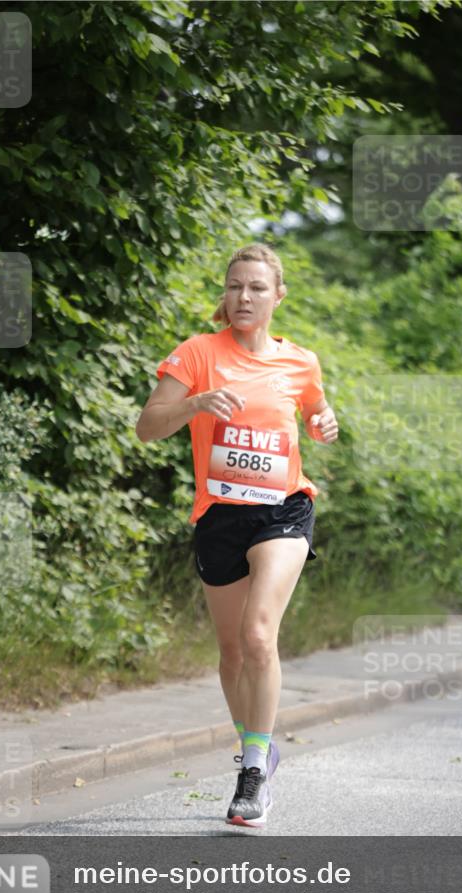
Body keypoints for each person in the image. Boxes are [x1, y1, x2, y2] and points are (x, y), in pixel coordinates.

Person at [135, 244, 338, 827]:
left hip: (283, 510)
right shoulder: (198, 354)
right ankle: (257, 743)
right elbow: (148, 427)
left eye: (255, 287)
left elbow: (319, 417)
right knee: (230, 655)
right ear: (224, 295)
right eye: (234, 287)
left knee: (257, 634)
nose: (243, 297)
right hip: (219, 517)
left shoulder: (300, 361)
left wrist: (324, 424)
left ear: (278, 295)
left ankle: (252, 773)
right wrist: (195, 402)